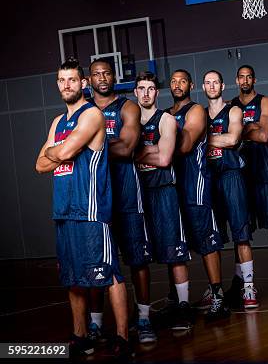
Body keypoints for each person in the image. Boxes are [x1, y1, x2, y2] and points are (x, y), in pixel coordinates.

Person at [35, 58, 131, 359]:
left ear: (83, 83)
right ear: (57, 85)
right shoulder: (57, 122)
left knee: (110, 273)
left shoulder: (91, 115)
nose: (67, 85)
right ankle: (80, 336)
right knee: (73, 277)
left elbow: (61, 151)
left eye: (72, 80)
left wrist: (57, 152)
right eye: (62, 80)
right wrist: (59, 153)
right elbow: (39, 165)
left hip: (90, 208)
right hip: (64, 209)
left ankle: (122, 337)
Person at [88, 59, 155, 344]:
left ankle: (143, 318)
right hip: (96, 197)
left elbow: (127, 146)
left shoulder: (128, 107)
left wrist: (86, 143)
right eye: (96, 74)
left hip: (127, 193)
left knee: (137, 260)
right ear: (88, 80)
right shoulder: (85, 110)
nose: (102, 77)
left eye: (106, 73)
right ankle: (95, 323)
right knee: (96, 261)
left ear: (114, 76)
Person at [133, 71, 193, 330]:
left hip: (164, 190)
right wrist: (152, 150)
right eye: (141, 88)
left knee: (174, 253)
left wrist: (137, 153)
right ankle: (144, 316)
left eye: (150, 88)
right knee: (139, 257)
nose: (146, 93)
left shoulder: (166, 119)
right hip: (137, 194)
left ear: (157, 92)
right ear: (135, 92)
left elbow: (166, 158)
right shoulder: (129, 119)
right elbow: (133, 151)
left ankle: (183, 308)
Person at [166, 69, 227, 320]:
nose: (178, 85)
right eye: (173, 81)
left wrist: (161, 142)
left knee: (206, 241)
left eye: (182, 81)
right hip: (171, 186)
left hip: (195, 184)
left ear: (191, 85)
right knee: (176, 244)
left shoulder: (196, 111)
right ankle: (179, 302)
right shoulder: (166, 114)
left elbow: (184, 146)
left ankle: (218, 297)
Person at [230, 65, 268, 299]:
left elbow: (264, 135)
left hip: (264, 168)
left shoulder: (265, 101)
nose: (245, 80)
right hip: (241, 171)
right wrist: (251, 127)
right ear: (237, 80)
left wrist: (239, 130)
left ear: (254, 79)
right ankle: (241, 281)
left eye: (249, 76)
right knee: (242, 227)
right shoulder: (231, 105)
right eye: (241, 76)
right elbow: (238, 134)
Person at [204, 70, 259, 308]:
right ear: (203, 87)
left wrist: (202, 139)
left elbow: (233, 139)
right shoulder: (200, 114)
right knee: (212, 238)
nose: (212, 86)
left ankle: (248, 288)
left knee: (241, 235)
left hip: (232, 176)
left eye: (216, 82)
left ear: (223, 85)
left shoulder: (234, 110)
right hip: (208, 178)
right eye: (208, 83)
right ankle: (215, 289)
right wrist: (217, 137)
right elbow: (222, 139)